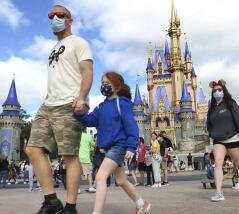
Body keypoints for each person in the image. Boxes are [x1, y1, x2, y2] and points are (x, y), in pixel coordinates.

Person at [25, 4, 94, 214]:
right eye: (51, 16)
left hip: (70, 104)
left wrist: (82, 97)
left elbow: (87, 71)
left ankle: (71, 207)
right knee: (33, 149)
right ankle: (51, 200)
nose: (54, 18)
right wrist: (46, 98)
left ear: (69, 20)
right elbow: (55, 78)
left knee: (69, 154)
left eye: (59, 15)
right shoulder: (52, 50)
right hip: (49, 104)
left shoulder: (79, 42)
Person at [73, 71, 151, 214]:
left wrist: (131, 147)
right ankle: (142, 204)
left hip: (119, 146)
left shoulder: (122, 103)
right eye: (102, 83)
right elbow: (89, 121)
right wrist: (78, 112)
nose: (104, 86)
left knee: (100, 177)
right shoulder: (101, 107)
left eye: (107, 83)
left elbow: (131, 126)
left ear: (117, 85)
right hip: (107, 149)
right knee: (121, 181)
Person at [206, 79, 239, 201]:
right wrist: (211, 133)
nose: (217, 92)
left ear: (224, 91)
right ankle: (218, 192)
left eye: (219, 90)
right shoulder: (211, 108)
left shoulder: (231, 104)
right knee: (217, 163)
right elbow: (209, 123)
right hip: (218, 140)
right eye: (214, 90)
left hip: (232, 137)